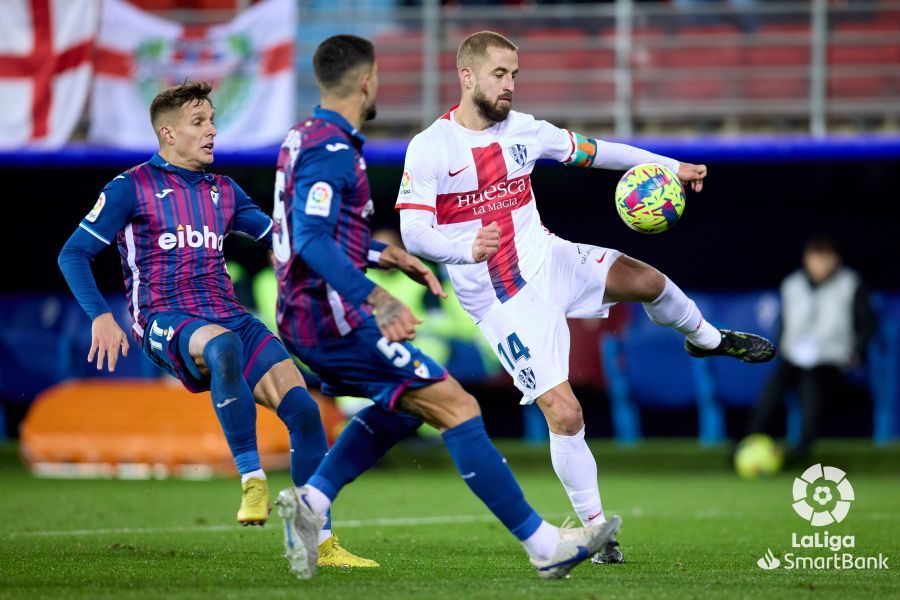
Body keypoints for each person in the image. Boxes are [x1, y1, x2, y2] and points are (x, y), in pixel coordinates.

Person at [395, 31, 776, 565]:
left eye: (515, 75)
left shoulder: (525, 131)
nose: (509, 86)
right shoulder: (430, 147)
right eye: (499, 74)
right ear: (467, 76)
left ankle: (706, 340)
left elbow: (599, 153)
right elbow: (413, 233)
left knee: (647, 281)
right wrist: (463, 248)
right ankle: (597, 533)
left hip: (551, 259)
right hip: (503, 297)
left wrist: (669, 167)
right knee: (566, 413)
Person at [272, 34, 620, 581]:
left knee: (406, 405)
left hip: (304, 315)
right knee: (457, 407)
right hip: (329, 317)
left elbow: (301, 230)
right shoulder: (332, 151)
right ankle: (543, 544)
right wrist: (376, 296)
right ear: (366, 82)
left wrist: (382, 253)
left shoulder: (301, 137)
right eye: (379, 76)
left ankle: (313, 504)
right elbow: (312, 239)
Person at [56, 79, 373, 568]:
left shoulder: (223, 190)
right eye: (198, 123)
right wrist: (101, 315)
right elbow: (74, 252)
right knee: (223, 347)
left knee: (306, 413)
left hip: (228, 314)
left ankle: (316, 542)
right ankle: (252, 480)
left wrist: (360, 255)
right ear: (167, 134)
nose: (211, 132)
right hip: (164, 318)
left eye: (212, 121)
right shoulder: (130, 187)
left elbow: (280, 238)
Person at [746, 236, 877, 459]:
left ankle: (804, 448)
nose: (821, 264)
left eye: (826, 258)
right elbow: (783, 325)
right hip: (793, 360)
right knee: (775, 381)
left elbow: (867, 324)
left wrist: (857, 352)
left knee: (811, 379)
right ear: (806, 259)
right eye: (816, 257)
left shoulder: (851, 283)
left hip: (834, 363)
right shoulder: (791, 284)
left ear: (836, 259)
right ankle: (749, 441)